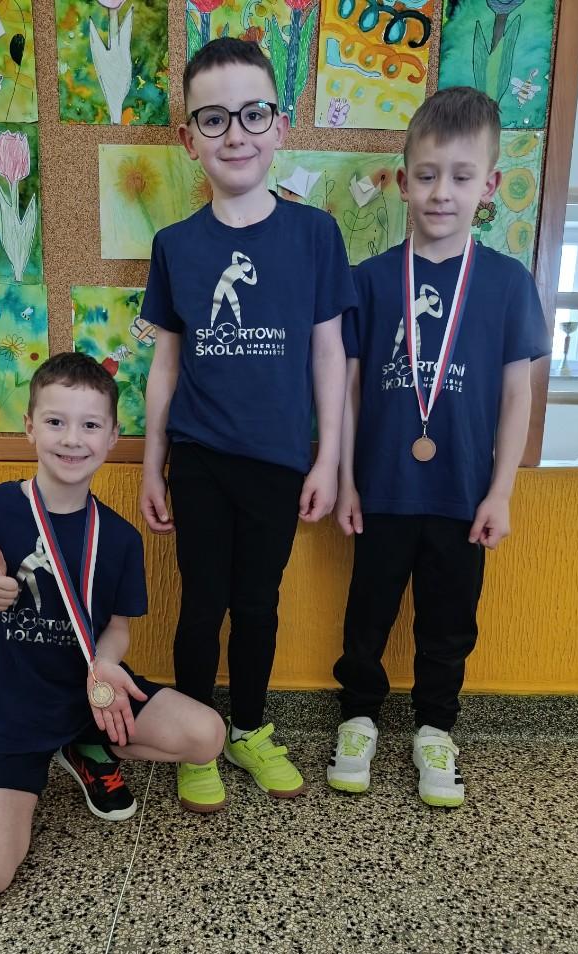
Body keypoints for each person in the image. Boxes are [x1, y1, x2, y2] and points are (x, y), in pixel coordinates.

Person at [139, 37, 355, 810]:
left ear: (279, 125)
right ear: (188, 137)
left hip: (278, 461)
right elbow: (165, 364)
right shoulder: (175, 247)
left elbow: (329, 355)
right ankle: (195, 735)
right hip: (198, 457)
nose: (234, 133)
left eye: (252, 114)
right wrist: (151, 464)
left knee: (258, 604)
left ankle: (251, 729)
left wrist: (327, 460)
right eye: (213, 118)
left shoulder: (315, 235)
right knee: (202, 602)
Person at [328, 88, 550, 808]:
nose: (440, 192)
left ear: (489, 184)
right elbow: (349, 391)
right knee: (367, 613)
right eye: (425, 175)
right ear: (402, 181)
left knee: (449, 620)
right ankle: (358, 717)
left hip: (462, 493)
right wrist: (346, 479)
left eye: (460, 176)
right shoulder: (368, 282)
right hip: (382, 488)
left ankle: (434, 728)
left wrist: (501, 492)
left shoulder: (507, 283)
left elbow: (516, 396)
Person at [0, 353, 224, 896]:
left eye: (90, 425)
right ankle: (29, 766)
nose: (73, 439)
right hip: (11, 716)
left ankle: (83, 745)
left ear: (112, 436)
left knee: (207, 735)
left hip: (91, 698)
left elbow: (117, 627)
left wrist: (106, 664)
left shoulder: (119, 538)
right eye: (56, 421)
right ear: (30, 426)